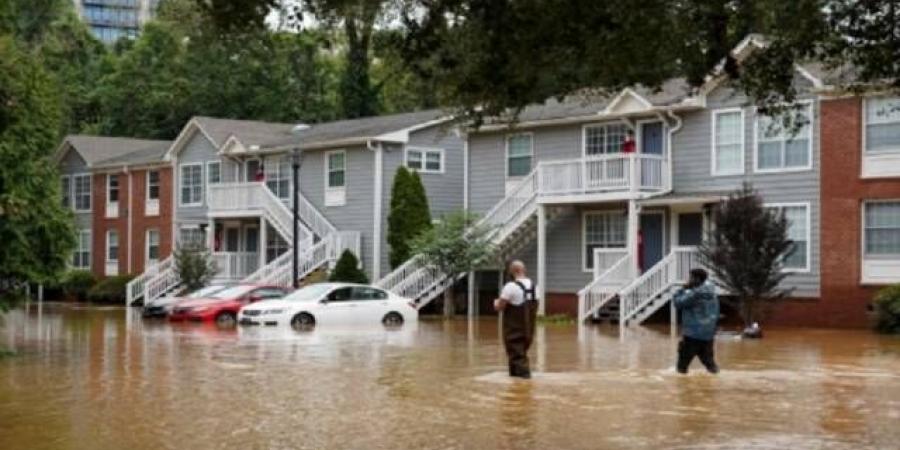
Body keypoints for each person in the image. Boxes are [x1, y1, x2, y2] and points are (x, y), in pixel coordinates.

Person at [494, 260, 539, 379]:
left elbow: (500, 306)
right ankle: (515, 384)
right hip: (529, 330)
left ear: (512, 272)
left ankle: (524, 385)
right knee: (518, 355)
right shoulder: (535, 287)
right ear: (524, 270)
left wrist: (495, 303)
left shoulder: (510, 286)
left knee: (517, 358)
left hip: (514, 330)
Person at [673, 268, 719, 374]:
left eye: (691, 278)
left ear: (697, 279)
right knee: (711, 367)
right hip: (707, 335)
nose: (689, 280)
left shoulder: (695, 294)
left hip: (692, 335)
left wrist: (682, 289)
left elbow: (677, 303)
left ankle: (682, 389)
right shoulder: (713, 294)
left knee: (681, 368)